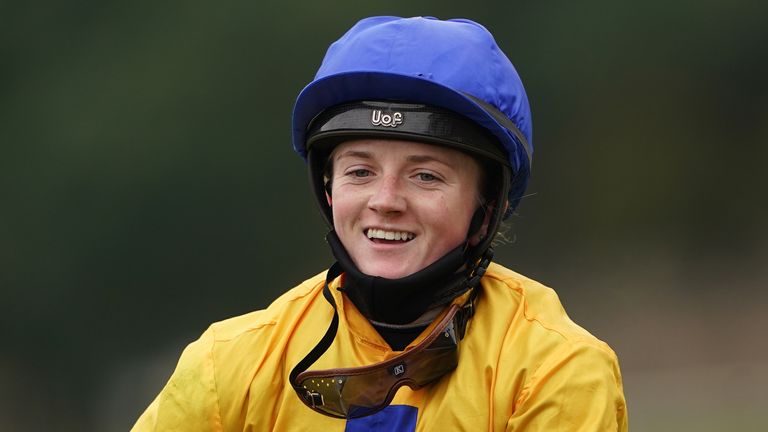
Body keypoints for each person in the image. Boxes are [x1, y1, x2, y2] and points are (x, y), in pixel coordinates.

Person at [132, 16, 628, 431]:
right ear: (329, 190)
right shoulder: (227, 367)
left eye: (426, 175)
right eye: (361, 171)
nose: (385, 201)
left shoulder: (556, 370)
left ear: (485, 203)